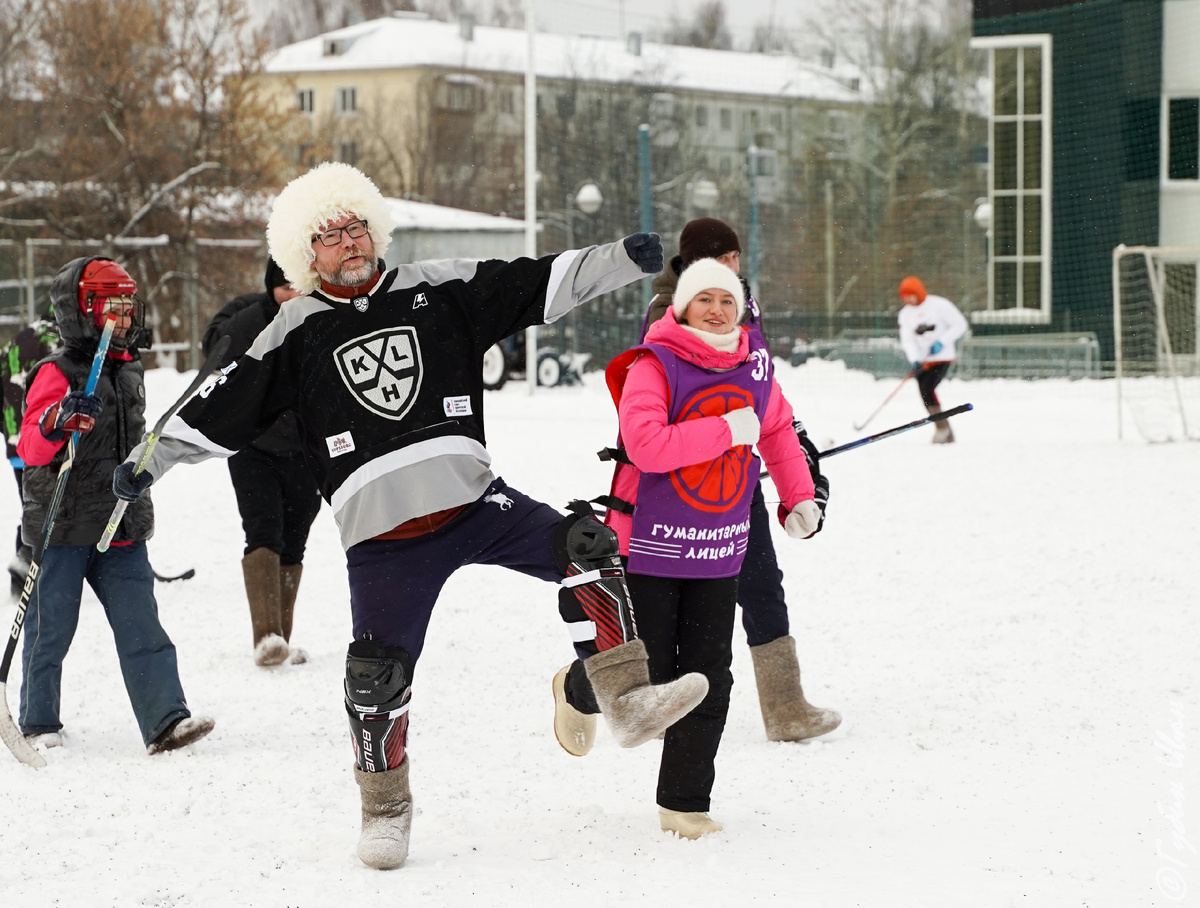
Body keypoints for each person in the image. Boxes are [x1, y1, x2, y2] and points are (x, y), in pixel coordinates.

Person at [110, 161, 708, 870]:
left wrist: (617, 261)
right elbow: (218, 402)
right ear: (306, 253)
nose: (349, 241)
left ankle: (625, 698)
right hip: (382, 541)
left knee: (587, 544)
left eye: (357, 226)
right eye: (329, 235)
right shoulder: (292, 328)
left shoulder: (437, 287)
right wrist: (148, 461)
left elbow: (532, 282)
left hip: (478, 503)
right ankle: (386, 807)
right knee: (376, 679)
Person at [567, 217, 839, 744]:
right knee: (653, 635)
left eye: (733, 256)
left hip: (733, 480)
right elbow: (658, 416)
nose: (729, 268)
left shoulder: (740, 301)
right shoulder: (668, 312)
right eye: (717, 256)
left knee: (763, 586)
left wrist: (791, 455)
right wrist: (729, 429)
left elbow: (762, 389)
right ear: (690, 267)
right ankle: (579, 687)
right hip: (674, 493)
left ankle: (785, 707)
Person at [586, 258, 821, 838]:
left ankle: (685, 804)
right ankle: (575, 687)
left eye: (727, 301)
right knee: (651, 674)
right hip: (649, 545)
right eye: (704, 300)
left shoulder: (754, 371)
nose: (717, 311)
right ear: (682, 306)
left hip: (720, 548)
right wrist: (726, 431)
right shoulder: (655, 363)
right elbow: (645, 445)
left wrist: (799, 498)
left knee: (709, 675)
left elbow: (780, 434)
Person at [17, 256, 214, 755]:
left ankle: (166, 720)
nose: (125, 318)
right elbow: (30, 449)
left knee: (141, 623)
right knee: (51, 630)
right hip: (62, 524)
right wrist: (59, 419)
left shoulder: (128, 371)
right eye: (113, 308)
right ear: (83, 311)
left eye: (128, 307)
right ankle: (39, 723)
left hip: (119, 521)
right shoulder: (55, 371)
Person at [202, 258, 322, 667]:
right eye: (284, 286)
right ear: (271, 287)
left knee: (295, 537)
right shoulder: (250, 321)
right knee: (263, 531)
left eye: (299, 286)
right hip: (254, 447)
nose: (293, 295)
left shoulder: (320, 319)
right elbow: (219, 363)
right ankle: (266, 635)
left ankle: (281, 640)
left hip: (306, 450)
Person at [2, 313, 60, 594]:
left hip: (17, 443)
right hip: (40, 442)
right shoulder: (53, 339)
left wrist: (9, 433)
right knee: (48, 507)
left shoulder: (21, 338)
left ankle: (23, 578)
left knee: (33, 506)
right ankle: (25, 564)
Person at [897, 275, 968, 444]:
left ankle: (942, 429)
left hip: (941, 357)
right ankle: (945, 431)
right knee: (924, 392)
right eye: (904, 297)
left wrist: (941, 342)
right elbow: (907, 339)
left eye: (911, 295)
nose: (908, 300)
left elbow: (960, 324)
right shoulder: (905, 314)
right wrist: (914, 359)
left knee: (928, 388)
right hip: (922, 360)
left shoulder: (939, 305)